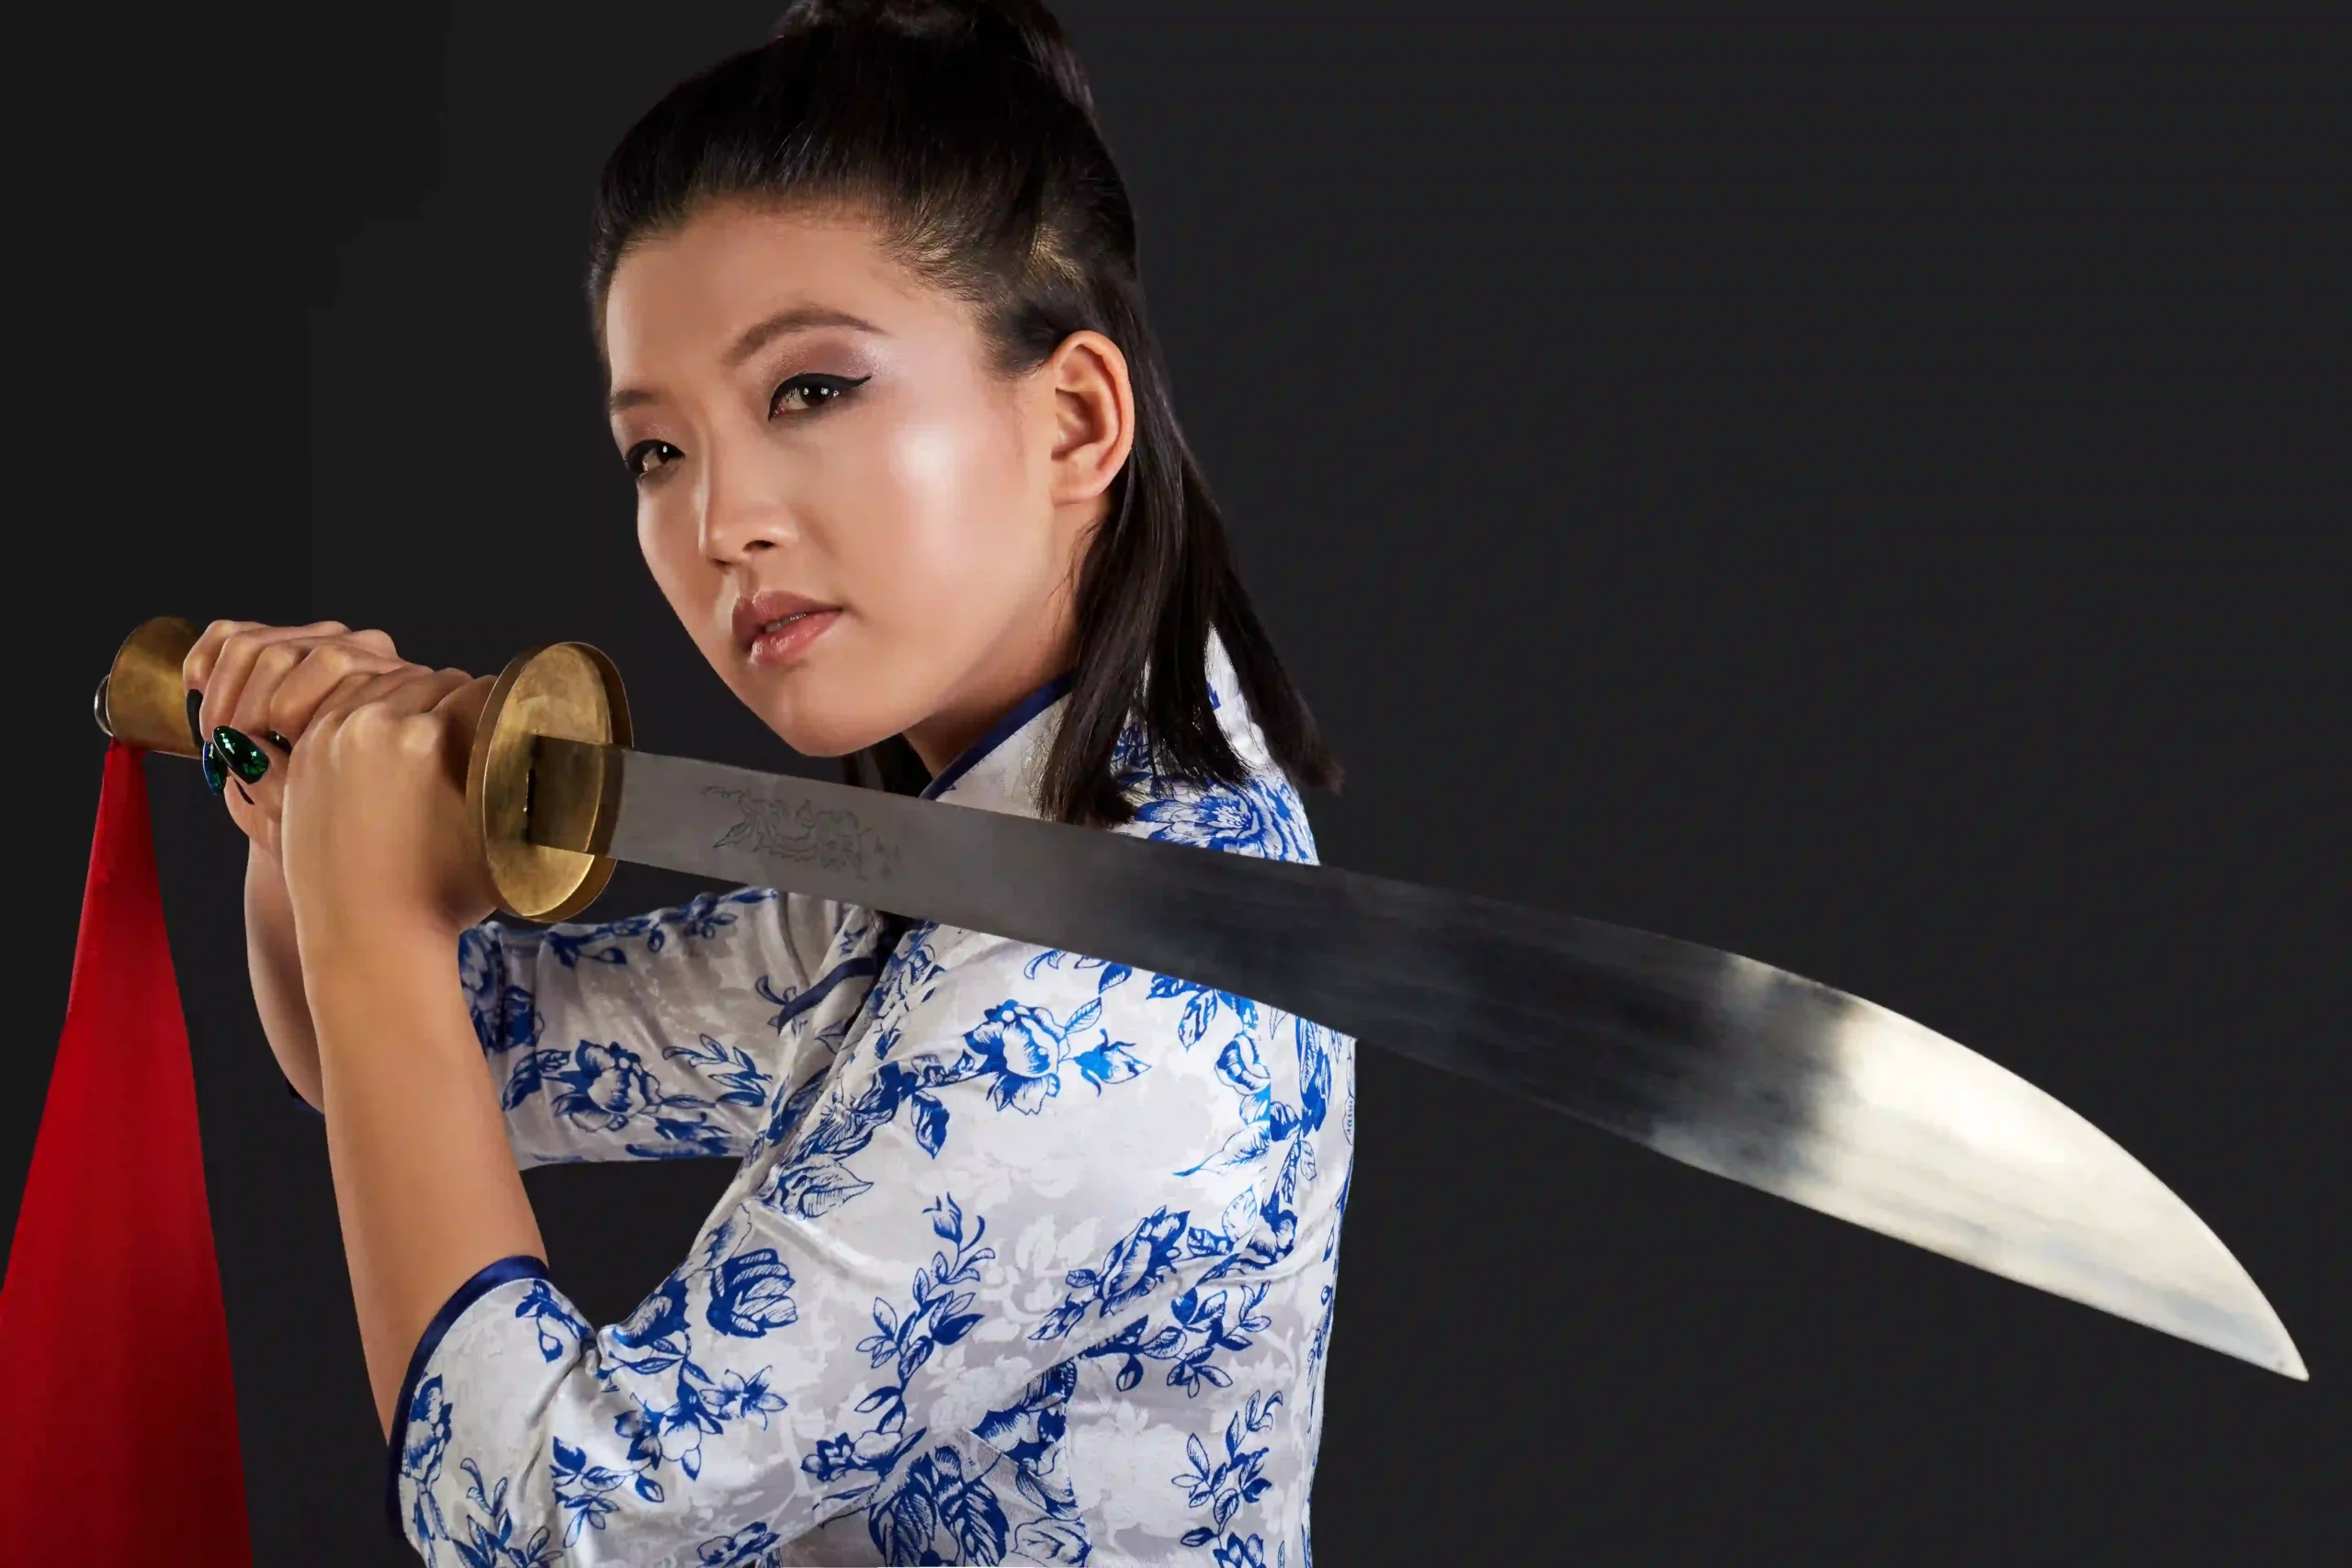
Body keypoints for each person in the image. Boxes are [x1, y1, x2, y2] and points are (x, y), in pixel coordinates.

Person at [182, 3, 1352, 1563]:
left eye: (811, 389)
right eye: (656, 452)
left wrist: (374, 915)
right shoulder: (1041, 799)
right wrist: (315, 817)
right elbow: (471, 1062)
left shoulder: (1090, 1002)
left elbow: (541, 1521)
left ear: (1078, 416)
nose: (722, 519)